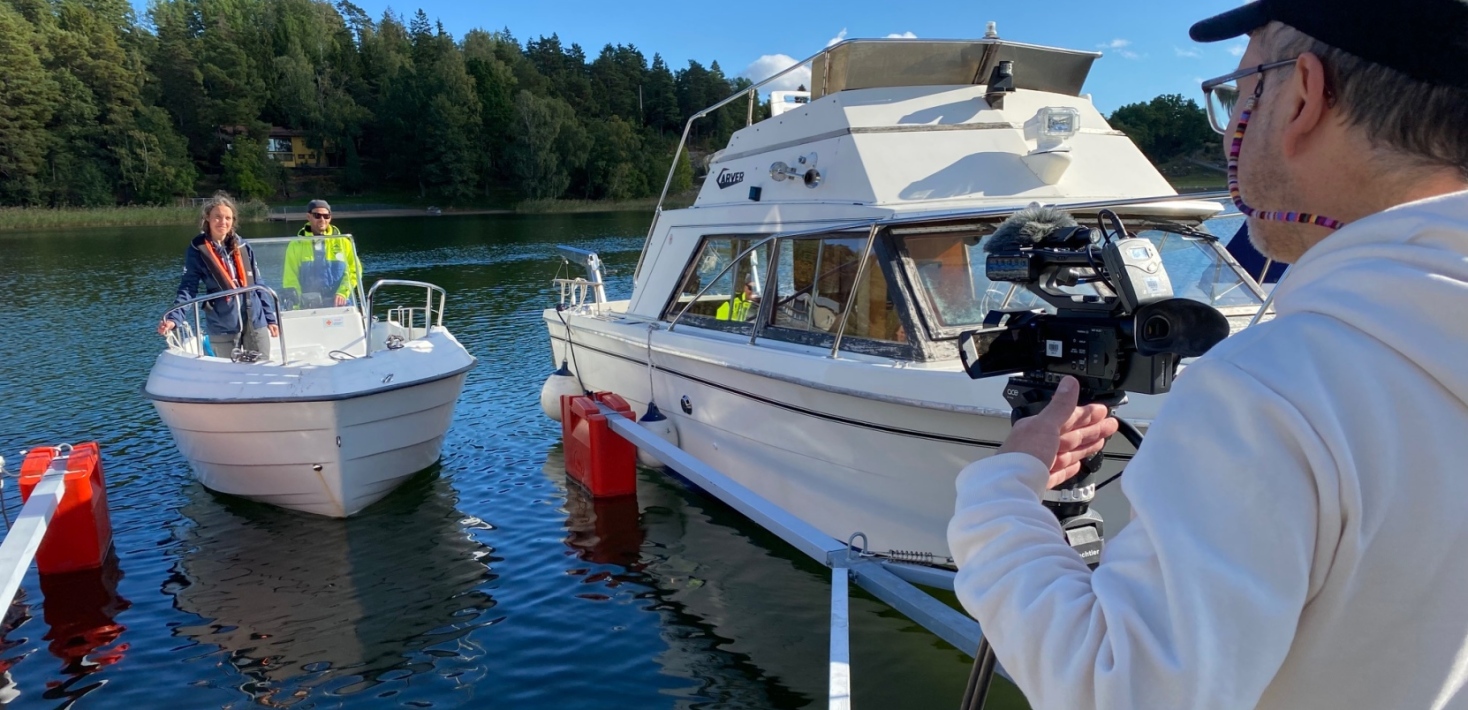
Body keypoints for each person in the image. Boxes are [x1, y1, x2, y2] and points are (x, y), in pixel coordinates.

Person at [946, 2, 1468, 708]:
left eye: (1241, 91)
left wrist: (1004, 488)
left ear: (1303, 95)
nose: (1228, 130)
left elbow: (1110, 687)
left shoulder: (1275, 390)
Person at [157, 193, 279, 358]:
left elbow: (258, 283)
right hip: (222, 325)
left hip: (255, 320)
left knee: (261, 368)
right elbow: (188, 288)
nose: (223, 222)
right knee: (228, 374)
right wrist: (173, 319)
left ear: (233, 221)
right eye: (218, 217)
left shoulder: (243, 246)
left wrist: (270, 318)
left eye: (228, 218)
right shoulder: (197, 250)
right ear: (207, 218)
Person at [282, 199, 360, 308]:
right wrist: (297, 304)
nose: (322, 219)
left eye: (326, 216)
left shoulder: (343, 242)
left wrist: (343, 292)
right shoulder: (296, 244)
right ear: (308, 217)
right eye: (317, 215)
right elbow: (290, 278)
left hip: (339, 304)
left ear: (330, 217)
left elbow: (354, 271)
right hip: (307, 305)